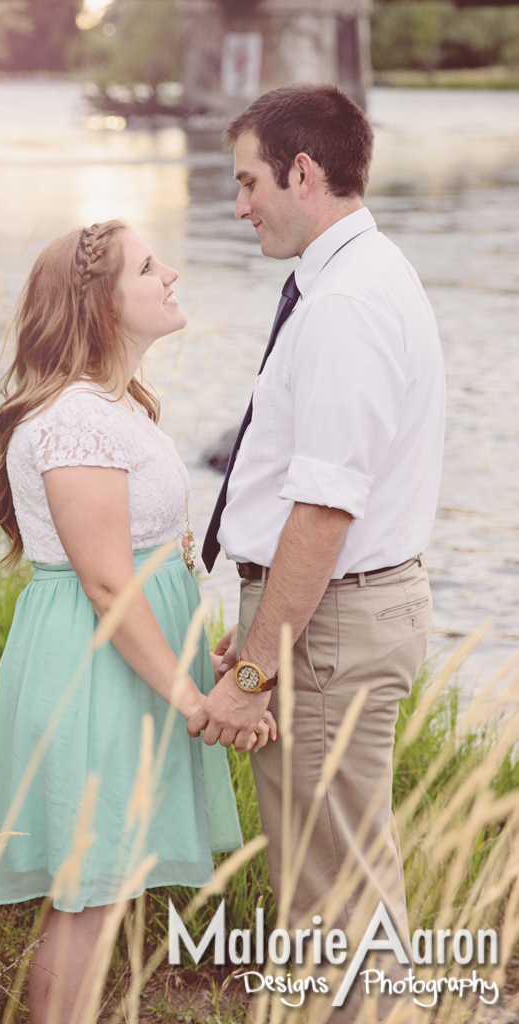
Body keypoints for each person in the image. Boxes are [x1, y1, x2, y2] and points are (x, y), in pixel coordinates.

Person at [189, 85, 445, 1020]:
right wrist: (257, 623)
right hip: (327, 616)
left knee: (334, 905)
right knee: (333, 884)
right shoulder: (358, 278)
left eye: (249, 180)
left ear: (303, 172)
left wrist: (251, 672)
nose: (239, 204)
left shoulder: (345, 304)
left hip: (329, 626)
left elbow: (325, 512)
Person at [0, 220, 275, 1023]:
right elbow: (108, 582)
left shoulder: (113, 408)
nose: (171, 272)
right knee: (90, 893)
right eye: (149, 266)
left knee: (99, 892)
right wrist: (191, 701)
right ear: (99, 304)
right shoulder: (75, 419)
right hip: (93, 667)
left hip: (123, 665)